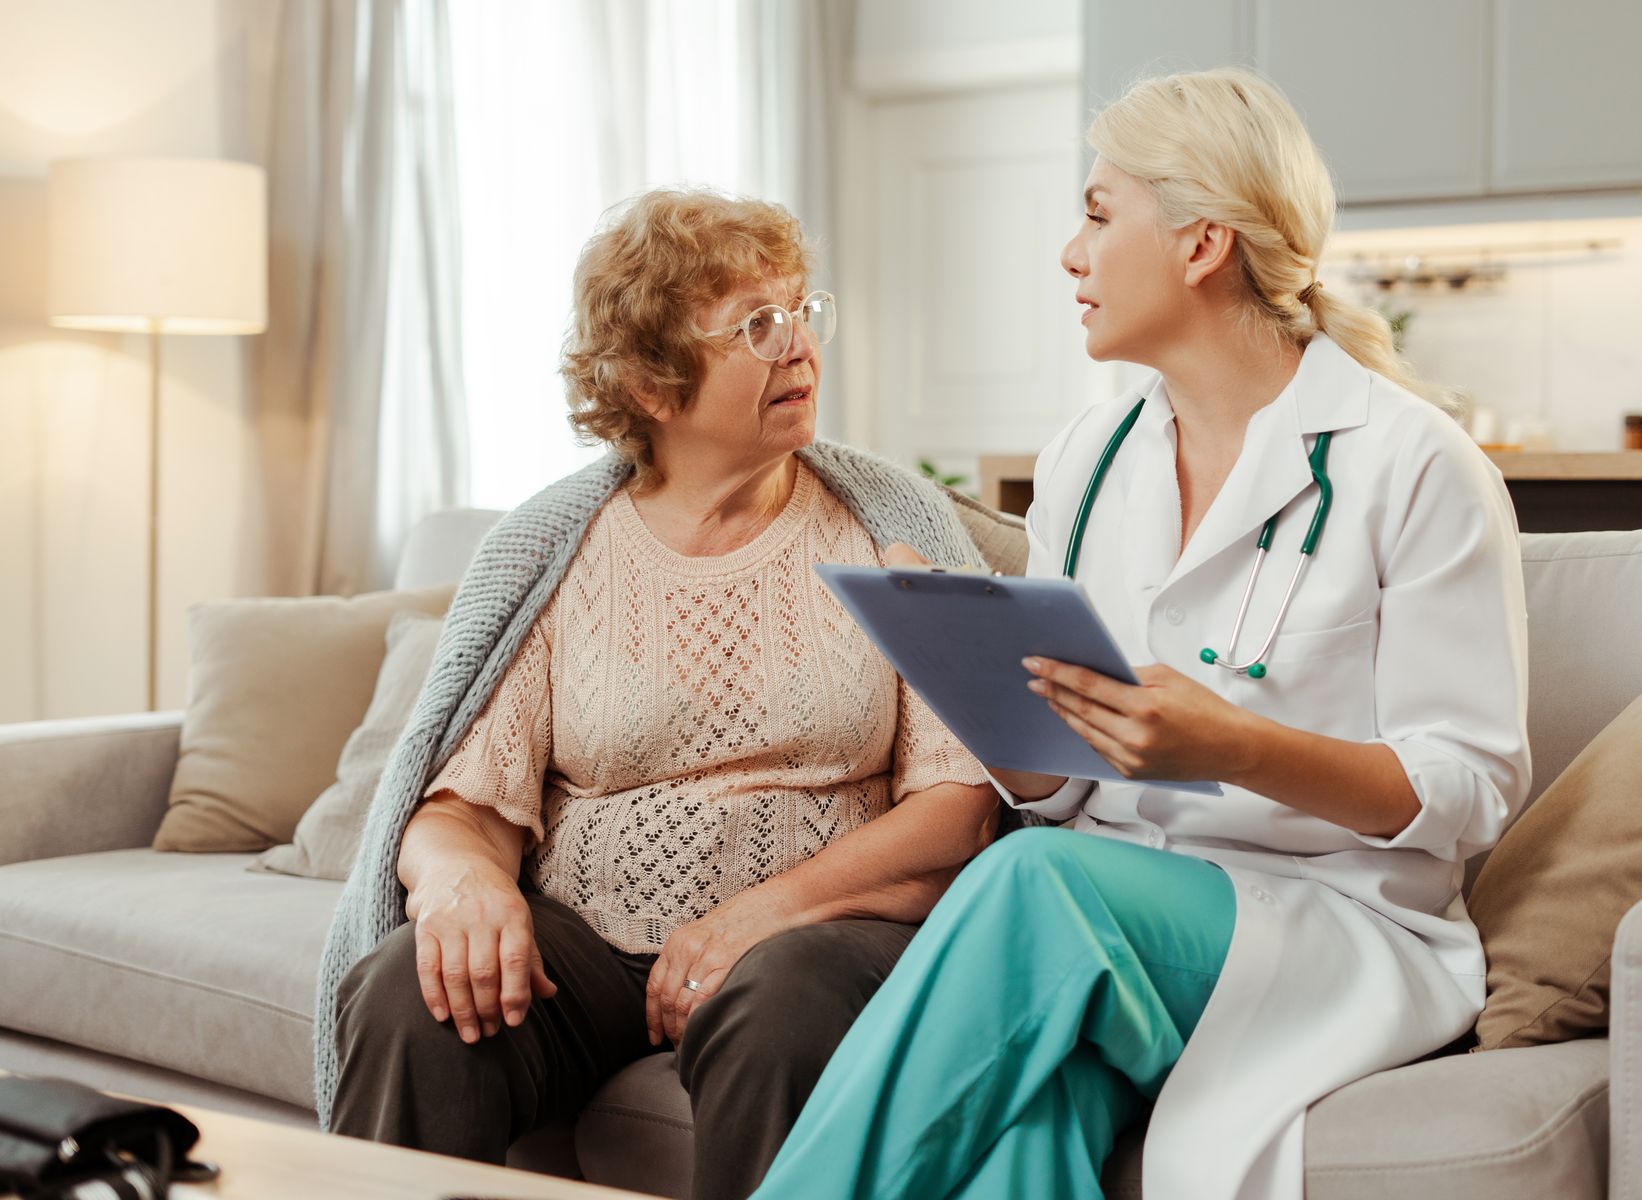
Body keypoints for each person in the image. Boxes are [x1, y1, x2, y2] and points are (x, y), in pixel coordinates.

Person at [753, 67, 1530, 1200]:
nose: (1071, 253)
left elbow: (1469, 789)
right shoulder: (1089, 454)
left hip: (1337, 923)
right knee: (1027, 1129)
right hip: (1120, 904)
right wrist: (981, 692)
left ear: (1202, 243)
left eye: (1098, 214)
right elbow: (1063, 788)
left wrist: (1233, 746)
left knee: (1033, 884)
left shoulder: (1415, 466)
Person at [316, 189, 1001, 1200]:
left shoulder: (886, 526)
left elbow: (963, 801)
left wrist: (759, 915)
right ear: (648, 379)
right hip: (585, 945)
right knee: (410, 995)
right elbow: (457, 804)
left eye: (805, 313)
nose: (800, 348)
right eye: (758, 326)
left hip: (817, 933)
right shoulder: (555, 553)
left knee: (784, 1002)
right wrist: (464, 885)